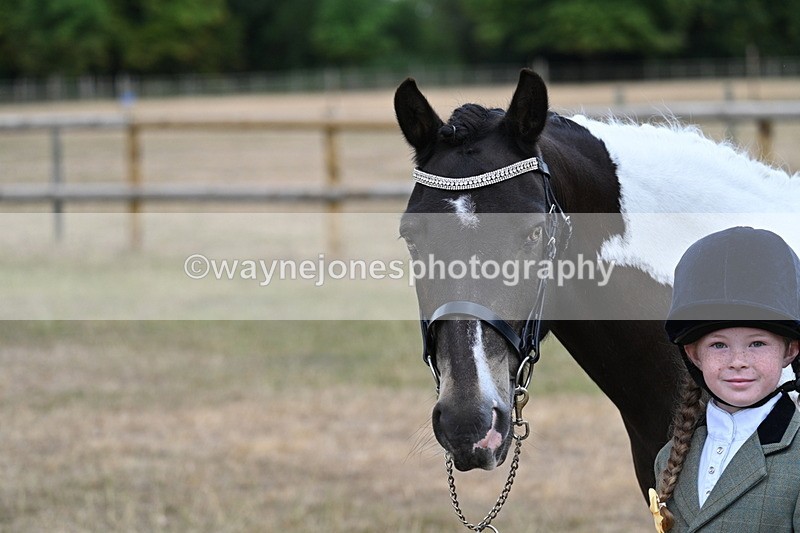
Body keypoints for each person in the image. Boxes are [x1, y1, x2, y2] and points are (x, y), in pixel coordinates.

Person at [651, 226, 800, 533]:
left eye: (757, 343)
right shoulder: (669, 458)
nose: (738, 362)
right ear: (694, 355)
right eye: (719, 345)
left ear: (791, 351)